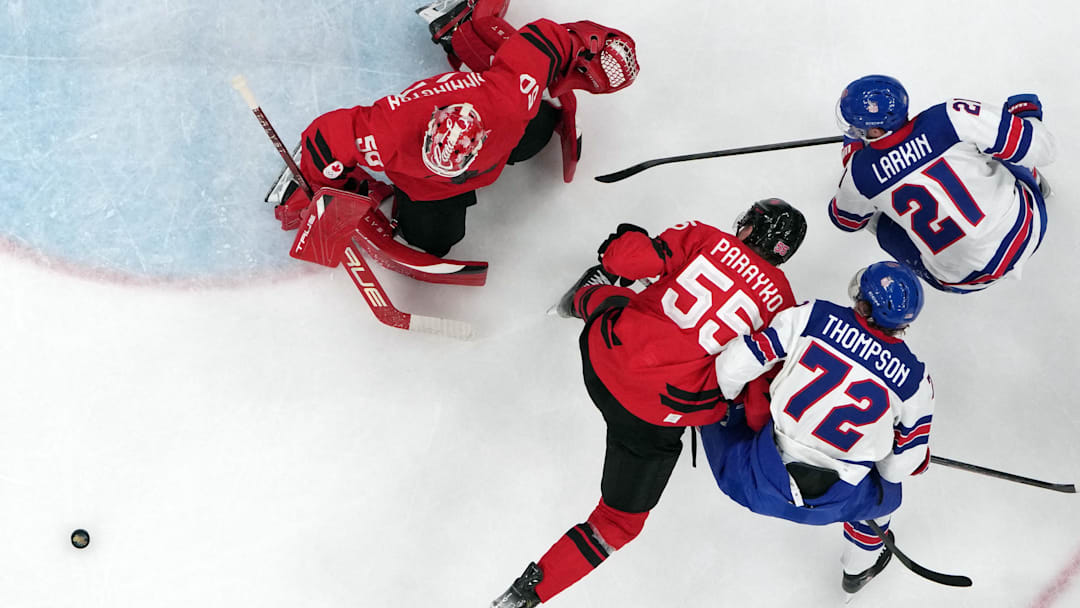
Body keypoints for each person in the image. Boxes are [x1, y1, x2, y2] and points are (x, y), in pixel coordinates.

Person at [490, 199, 808, 607]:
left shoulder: (706, 237)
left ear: (751, 229)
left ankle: (582, 297)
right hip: (658, 414)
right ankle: (529, 593)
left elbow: (625, 259)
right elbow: (759, 404)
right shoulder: (785, 309)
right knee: (617, 523)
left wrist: (625, 241)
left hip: (605, 356)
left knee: (617, 302)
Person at [268, 0, 639, 258]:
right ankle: (461, 31)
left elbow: (553, 39)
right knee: (437, 243)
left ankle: (461, 27)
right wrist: (314, 181)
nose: (450, 166)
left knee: (540, 129)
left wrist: (601, 48)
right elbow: (325, 139)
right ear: (427, 134)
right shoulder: (389, 131)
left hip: (498, 141)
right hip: (426, 188)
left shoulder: (510, 98)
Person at [698, 260, 933, 594]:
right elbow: (897, 468)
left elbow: (730, 369)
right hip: (832, 505)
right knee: (887, 496)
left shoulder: (814, 316)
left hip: (747, 478)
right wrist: (901, 450)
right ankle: (856, 573)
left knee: (708, 399)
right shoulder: (915, 381)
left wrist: (733, 406)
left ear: (862, 302)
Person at [829, 74, 1056, 293]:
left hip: (965, 280)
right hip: (1026, 230)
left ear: (876, 131)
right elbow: (1044, 150)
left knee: (878, 221)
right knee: (995, 143)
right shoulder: (951, 116)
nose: (852, 130)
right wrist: (1026, 116)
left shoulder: (859, 173)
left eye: (855, 127)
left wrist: (853, 161)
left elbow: (845, 221)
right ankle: (1034, 182)